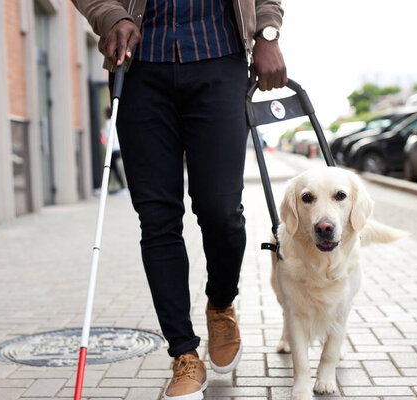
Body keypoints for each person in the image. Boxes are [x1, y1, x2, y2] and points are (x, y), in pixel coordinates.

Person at [72, 1, 287, 398]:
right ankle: (184, 354)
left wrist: (267, 31)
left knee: (221, 210)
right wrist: (109, 16)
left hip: (219, 58)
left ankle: (221, 305)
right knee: (157, 220)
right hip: (139, 65)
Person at [101, 107, 128, 194]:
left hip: (112, 149)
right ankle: (105, 188)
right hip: (117, 148)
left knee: (113, 169)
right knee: (110, 169)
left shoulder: (108, 123)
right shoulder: (114, 122)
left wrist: (103, 139)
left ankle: (123, 188)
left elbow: (106, 137)